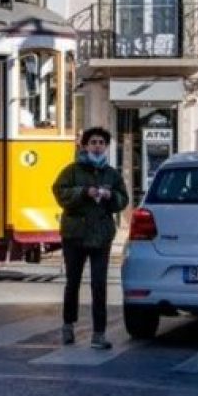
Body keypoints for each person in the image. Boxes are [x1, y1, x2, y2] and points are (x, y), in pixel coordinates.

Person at [52, 127, 129, 349]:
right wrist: (83, 192)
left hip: (101, 236)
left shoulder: (111, 174)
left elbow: (122, 200)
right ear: (85, 146)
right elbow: (59, 192)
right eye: (93, 142)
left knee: (99, 284)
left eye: (101, 142)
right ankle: (68, 325)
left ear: (106, 147)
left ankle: (99, 333)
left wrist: (110, 196)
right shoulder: (72, 170)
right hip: (75, 235)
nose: (97, 146)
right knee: (73, 282)